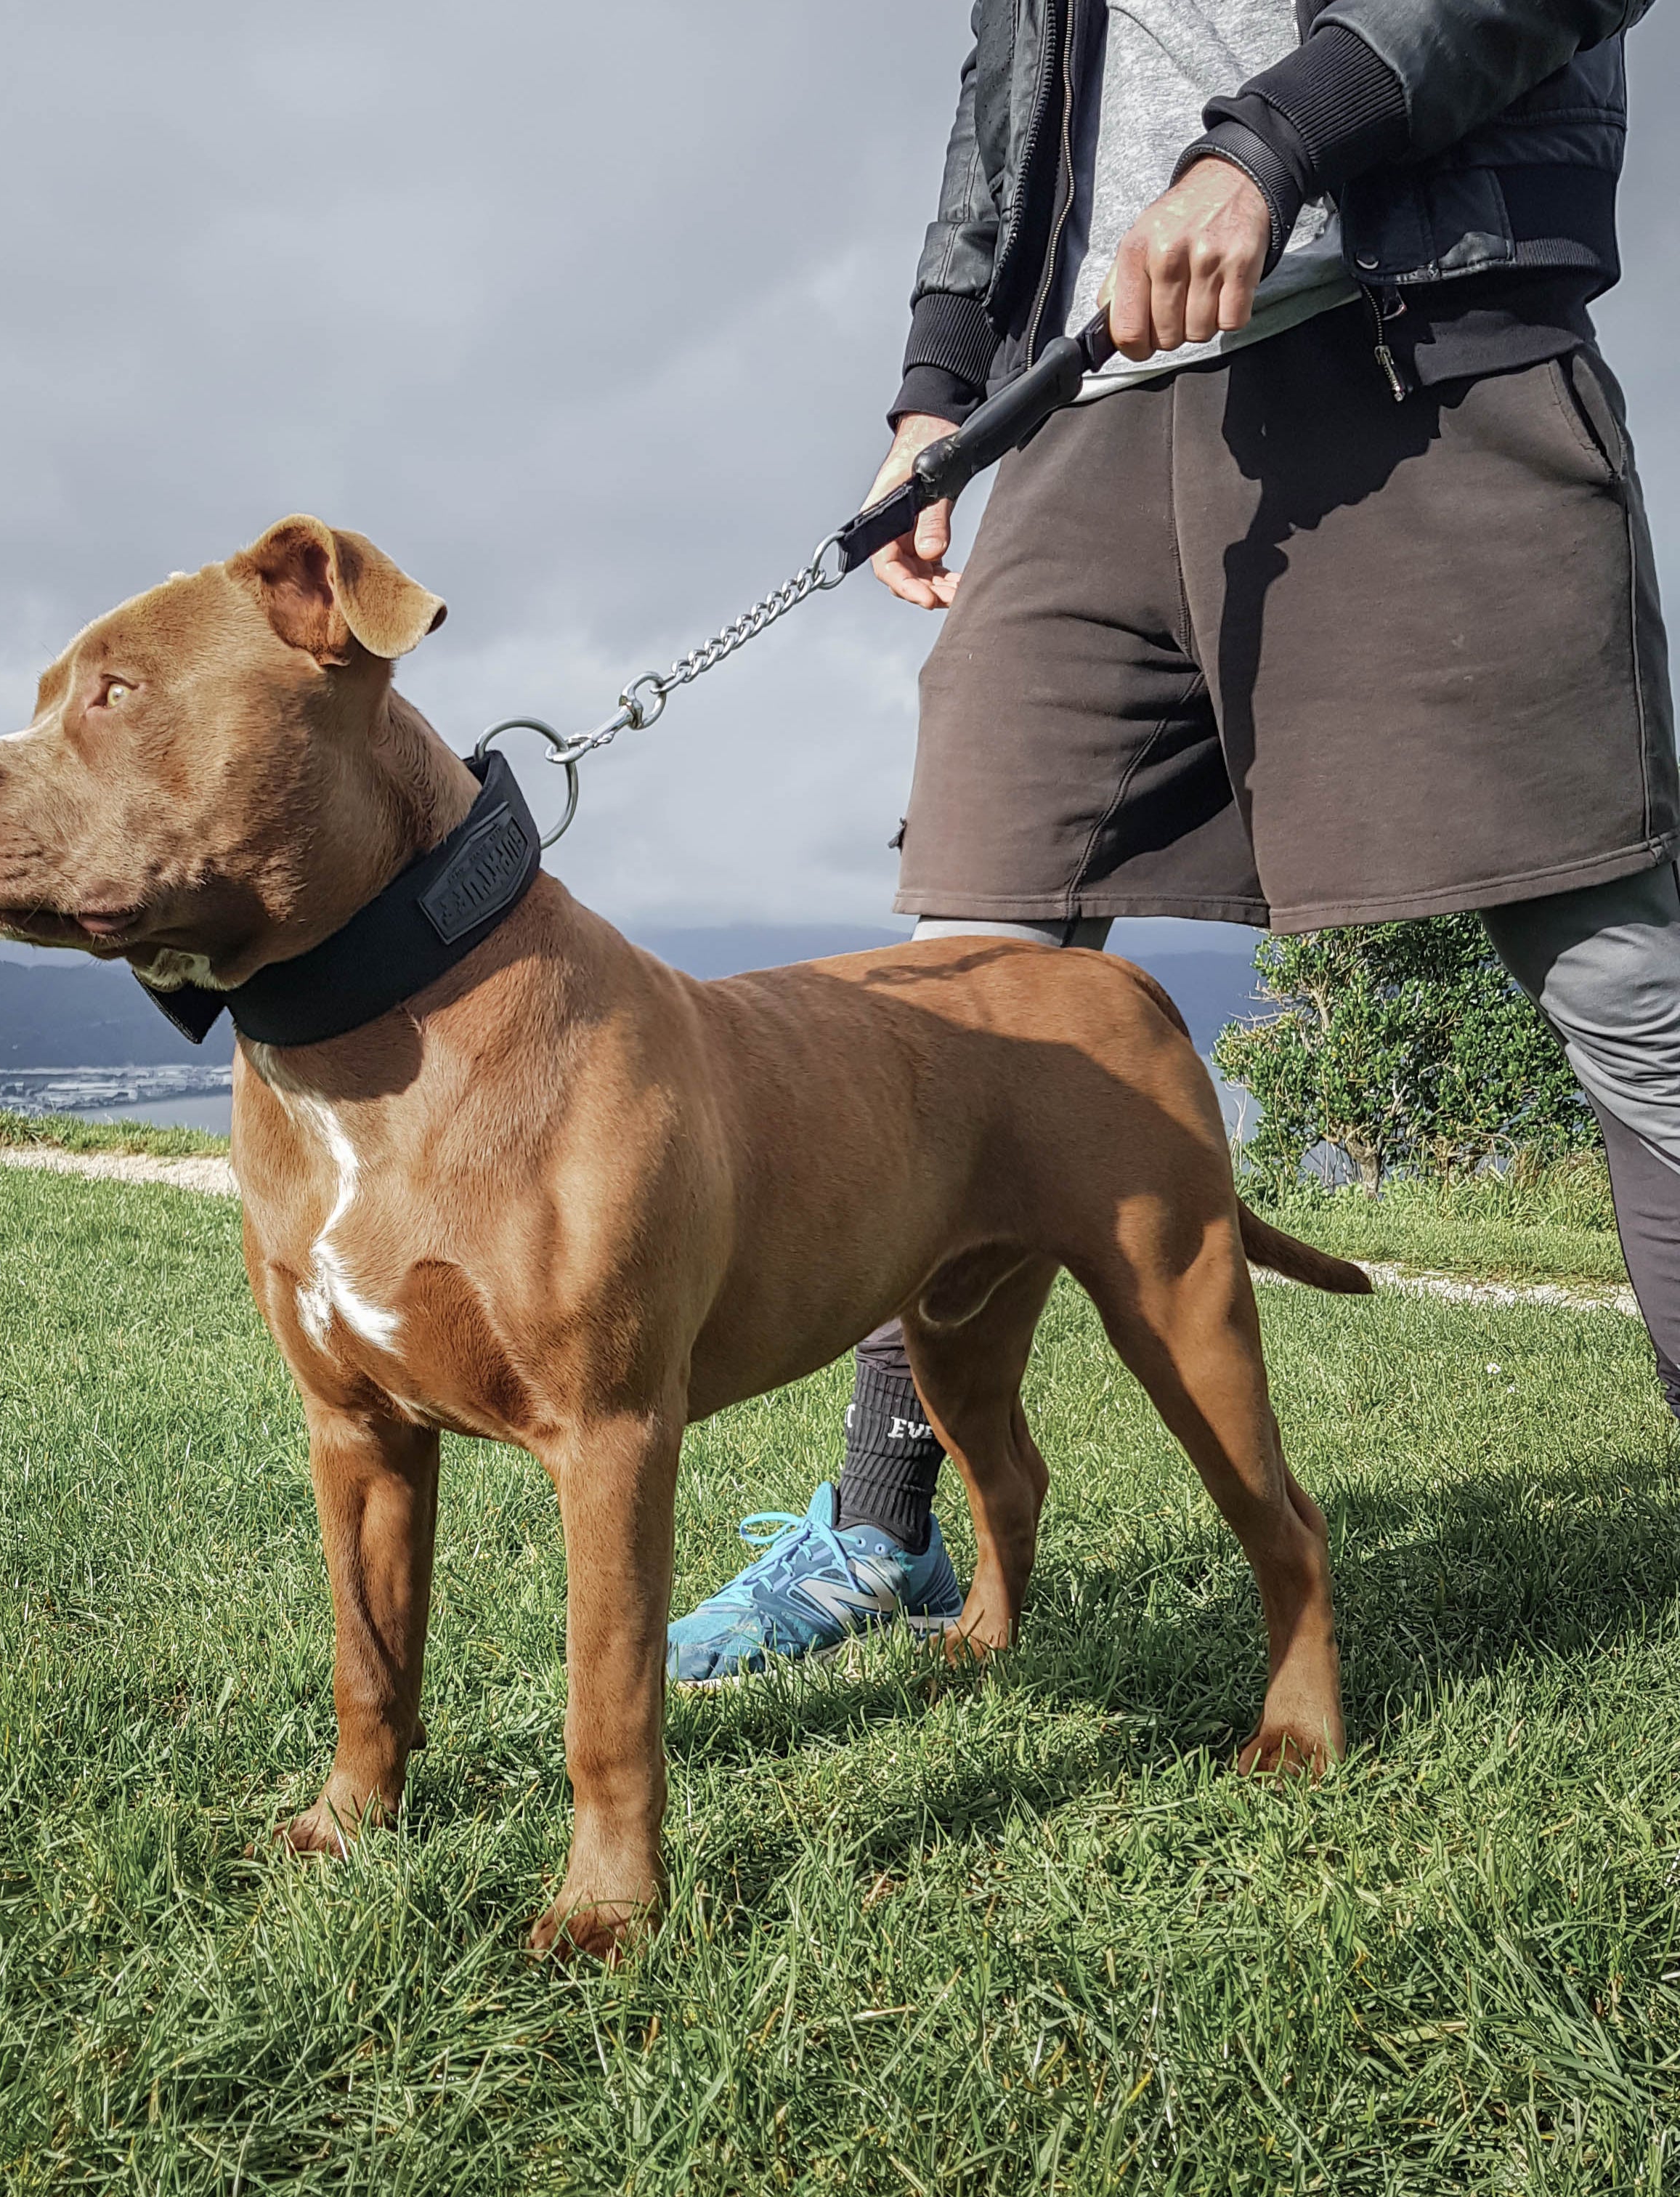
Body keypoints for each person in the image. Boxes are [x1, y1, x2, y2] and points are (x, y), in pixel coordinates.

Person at [667, 0, 1677, 1686]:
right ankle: (884, 1524)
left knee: (1628, 984)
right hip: (1089, 417)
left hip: (1420, 355)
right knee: (950, 1006)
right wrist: (939, 384)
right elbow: (1013, 96)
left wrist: (1274, 140)